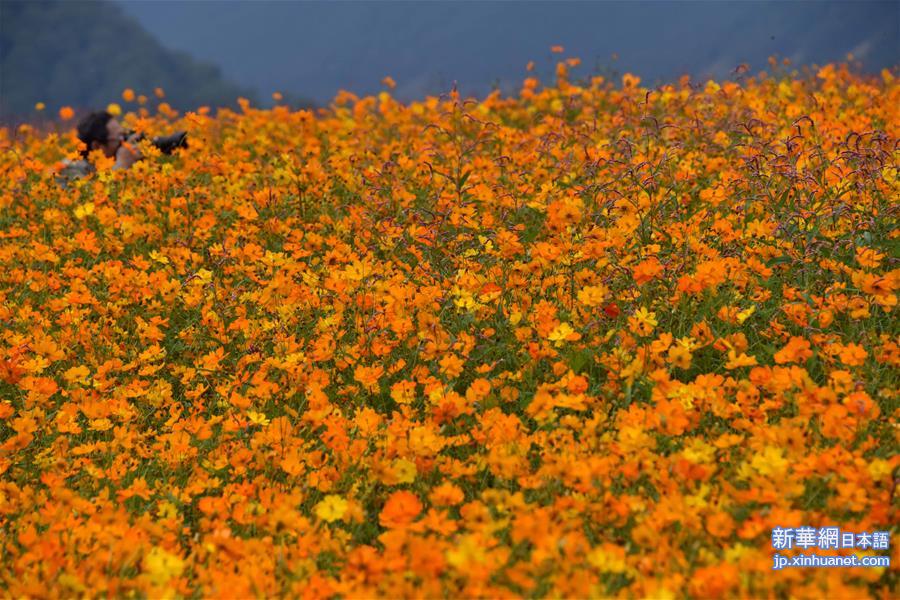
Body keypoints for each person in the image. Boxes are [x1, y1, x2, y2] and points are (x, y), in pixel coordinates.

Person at [57, 110, 141, 182]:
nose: (124, 142)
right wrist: (122, 165)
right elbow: (90, 195)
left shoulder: (107, 165)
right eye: (120, 137)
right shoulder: (70, 169)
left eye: (124, 135)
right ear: (96, 146)